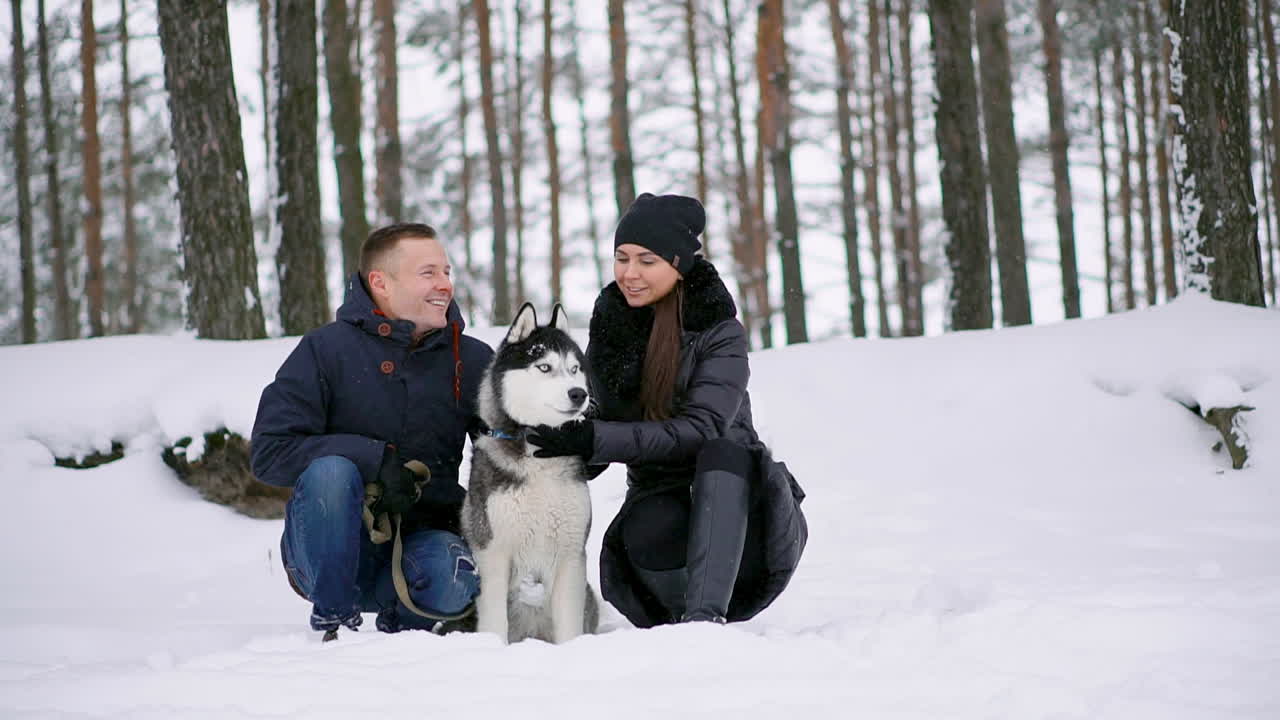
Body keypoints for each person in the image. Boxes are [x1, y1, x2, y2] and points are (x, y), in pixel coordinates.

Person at [528, 193, 808, 626]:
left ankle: (705, 620)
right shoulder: (612, 327)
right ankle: (677, 616)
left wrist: (596, 438)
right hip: (663, 502)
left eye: (647, 261)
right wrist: (555, 442)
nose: (630, 273)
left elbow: (702, 429)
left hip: (746, 524)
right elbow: (599, 430)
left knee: (723, 452)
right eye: (621, 258)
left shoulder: (718, 330)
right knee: (647, 524)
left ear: (678, 266)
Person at [251, 223, 493, 638]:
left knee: (453, 577)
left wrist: (569, 442)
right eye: (428, 273)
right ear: (381, 283)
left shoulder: (469, 359)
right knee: (332, 472)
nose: (445, 285)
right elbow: (270, 453)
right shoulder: (325, 350)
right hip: (323, 550)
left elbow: (508, 449)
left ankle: (404, 636)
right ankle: (334, 622)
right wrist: (373, 459)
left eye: (446, 272)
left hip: (422, 544)